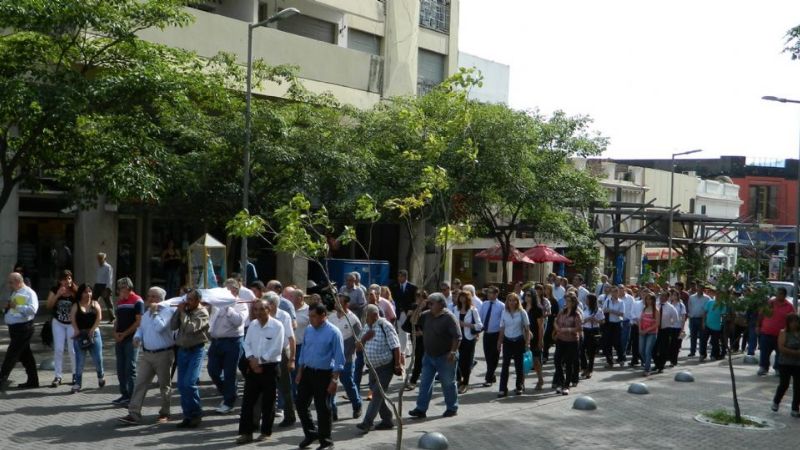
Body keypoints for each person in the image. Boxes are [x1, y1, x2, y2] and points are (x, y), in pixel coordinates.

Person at [118, 287, 174, 424]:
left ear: (161, 299)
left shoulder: (168, 311)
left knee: (164, 385)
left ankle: (165, 413)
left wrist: (155, 314)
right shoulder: (147, 313)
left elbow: (160, 328)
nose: (149, 299)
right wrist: (137, 337)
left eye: (153, 296)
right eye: (148, 296)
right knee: (140, 383)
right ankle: (134, 413)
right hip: (147, 354)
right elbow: (141, 329)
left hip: (163, 354)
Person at [235, 299, 285, 444]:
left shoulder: (277, 326)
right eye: (255, 310)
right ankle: (246, 433)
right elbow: (247, 343)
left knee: (268, 402)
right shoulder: (253, 325)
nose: (258, 313)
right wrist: (251, 359)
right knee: (248, 401)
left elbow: (276, 348)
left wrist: (260, 361)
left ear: (268, 310)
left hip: (270, 367)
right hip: (253, 365)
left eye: (261, 309)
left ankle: (265, 431)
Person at [295, 303, 345, 450]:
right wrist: (300, 372)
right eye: (309, 316)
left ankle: (326, 441)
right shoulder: (309, 330)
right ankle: (311, 433)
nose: (310, 319)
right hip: (308, 372)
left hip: (325, 374)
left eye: (313, 316)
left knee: (322, 408)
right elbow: (304, 351)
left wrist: (334, 380)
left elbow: (339, 358)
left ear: (323, 316)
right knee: (300, 403)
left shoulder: (334, 332)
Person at [408, 293, 462, 419]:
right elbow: (413, 320)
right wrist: (419, 307)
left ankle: (452, 407)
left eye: (432, 303)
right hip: (429, 356)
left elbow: (457, 337)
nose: (429, 305)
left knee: (448, 383)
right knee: (425, 383)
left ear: (441, 304)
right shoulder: (427, 315)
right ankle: (421, 409)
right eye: (429, 303)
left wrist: (453, 352)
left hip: (446, 356)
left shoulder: (449, 317)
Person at [356, 304, 402, 433]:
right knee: (378, 394)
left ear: (375, 315)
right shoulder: (366, 327)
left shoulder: (385, 325)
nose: (365, 319)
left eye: (367, 316)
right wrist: (365, 338)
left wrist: (397, 364)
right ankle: (387, 419)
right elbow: (358, 347)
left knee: (376, 394)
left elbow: (396, 346)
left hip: (385, 366)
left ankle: (367, 422)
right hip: (372, 367)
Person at [207, 279, 249, 414]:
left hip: (232, 341)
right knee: (212, 370)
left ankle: (228, 401)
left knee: (229, 372)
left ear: (235, 291)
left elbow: (238, 322)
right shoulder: (217, 304)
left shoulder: (241, 304)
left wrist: (228, 307)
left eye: (228, 290)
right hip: (216, 341)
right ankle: (228, 392)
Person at [171, 289, 210, 429]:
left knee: (189, 383)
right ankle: (187, 415)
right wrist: (178, 311)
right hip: (182, 350)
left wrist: (182, 313)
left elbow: (190, 328)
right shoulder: (185, 310)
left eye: (191, 300)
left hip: (196, 350)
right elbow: (173, 326)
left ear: (198, 301)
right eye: (187, 299)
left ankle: (196, 413)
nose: (188, 302)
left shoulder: (202, 313)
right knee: (181, 385)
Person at [1, 272, 39, 389]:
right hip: (15, 328)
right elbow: (13, 309)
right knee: (25, 355)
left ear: (18, 281)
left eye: (11, 282)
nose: (9, 285)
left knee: (12, 353)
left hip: (23, 328)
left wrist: (16, 306)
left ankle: (2, 377)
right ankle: (33, 381)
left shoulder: (29, 293)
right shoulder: (16, 292)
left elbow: (32, 310)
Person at [328, 293, 363, 420]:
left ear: (346, 304)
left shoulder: (353, 319)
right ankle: (332, 411)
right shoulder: (331, 317)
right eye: (336, 301)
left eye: (339, 302)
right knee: (331, 383)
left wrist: (354, 348)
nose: (336, 303)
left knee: (348, 383)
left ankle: (357, 404)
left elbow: (359, 338)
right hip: (331, 359)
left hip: (347, 358)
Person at [265, 291, 297, 427]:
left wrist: (292, 359)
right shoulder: (262, 315)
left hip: (281, 353)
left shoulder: (284, 316)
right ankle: (267, 415)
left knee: (285, 387)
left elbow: (291, 338)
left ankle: (290, 416)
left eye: (266, 303)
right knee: (267, 387)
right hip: (266, 353)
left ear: (272, 304)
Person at [111, 277, 143, 406]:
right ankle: (124, 394)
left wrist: (124, 334)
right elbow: (117, 319)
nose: (119, 292)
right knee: (120, 368)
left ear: (128, 288)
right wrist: (115, 332)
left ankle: (132, 396)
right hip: (120, 338)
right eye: (119, 289)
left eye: (121, 289)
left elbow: (139, 321)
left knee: (130, 368)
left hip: (131, 339)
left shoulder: (137, 301)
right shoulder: (120, 302)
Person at [69, 283, 104, 393]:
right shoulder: (76, 305)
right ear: (80, 293)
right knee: (80, 361)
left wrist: (93, 329)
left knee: (97, 359)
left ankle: (100, 376)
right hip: (80, 335)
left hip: (94, 334)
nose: (88, 294)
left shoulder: (95, 303)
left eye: (89, 291)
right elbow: (72, 318)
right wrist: (76, 330)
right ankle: (78, 383)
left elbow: (99, 317)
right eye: (85, 292)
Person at [46, 270, 78, 387]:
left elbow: (83, 304)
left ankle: (75, 375)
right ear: (60, 281)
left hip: (71, 323)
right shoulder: (55, 290)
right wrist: (58, 295)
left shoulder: (76, 291)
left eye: (69, 279)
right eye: (65, 279)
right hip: (58, 322)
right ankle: (58, 376)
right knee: (58, 349)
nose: (67, 281)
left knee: (72, 350)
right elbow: (49, 305)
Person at [497, 293, 531, 397]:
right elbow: (502, 328)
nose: (512, 302)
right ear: (507, 302)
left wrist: (527, 343)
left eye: (514, 300)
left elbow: (527, 329)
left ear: (517, 301)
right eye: (510, 300)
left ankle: (519, 386)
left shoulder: (522, 312)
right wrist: (499, 342)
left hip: (519, 341)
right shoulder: (504, 312)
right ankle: (503, 389)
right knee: (505, 365)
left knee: (518, 365)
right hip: (507, 341)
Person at [758, 287, 796, 376]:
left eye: (780, 294)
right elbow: (761, 315)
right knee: (764, 351)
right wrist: (758, 326)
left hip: (781, 335)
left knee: (780, 353)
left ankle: (778, 368)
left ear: (784, 295)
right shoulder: (769, 303)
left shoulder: (789, 306)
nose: (778, 296)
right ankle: (763, 367)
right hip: (766, 332)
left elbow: (793, 320)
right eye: (777, 293)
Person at [771, 313, 800, 417]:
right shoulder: (783, 332)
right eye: (792, 322)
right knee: (784, 384)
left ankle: (795, 408)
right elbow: (781, 348)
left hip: (798, 364)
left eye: (796, 321)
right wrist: (795, 353)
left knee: (798, 386)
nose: (794, 324)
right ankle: (776, 401)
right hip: (785, 363)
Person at [553, 294, 582, 395]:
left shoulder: (576, 314)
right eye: (566, 301)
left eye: (569, 301)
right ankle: (561, 382)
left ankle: (566, 385)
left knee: (569, 363)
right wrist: (557, 328)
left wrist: (567, 329)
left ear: (573, 303)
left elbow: (579, 328)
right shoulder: (562, 311)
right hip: (561, 339)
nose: (567, 303)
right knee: (557, 360)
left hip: (572, 341)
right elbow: (555, 321)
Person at [454, 290, 482, 394]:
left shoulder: (473, 310)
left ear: (468, 299)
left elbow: (479, 325)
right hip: (457, 338)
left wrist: (465, 324)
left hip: (469, 338)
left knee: (467, 361)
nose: (462, 299)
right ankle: (459, 379)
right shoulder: (455, 309)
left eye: (464, 297)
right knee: (456, 359)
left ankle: (465, 383)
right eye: (460, 297)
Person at [480, 286, 505, 387]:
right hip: (486, 333)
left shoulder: (501, 306)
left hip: (496, 334)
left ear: (496, 294)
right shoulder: (484, 304)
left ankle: (488, 378)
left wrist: (501, 338)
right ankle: (492, 374)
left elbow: (502, 322)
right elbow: (481, 317)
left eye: (491, 293)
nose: (489, 295)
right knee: (487, 356)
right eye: (488, 293)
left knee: (494, 357)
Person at [405, 290, 430, 390]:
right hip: (416, 337)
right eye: (417, 297)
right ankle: (414, 380)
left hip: (427, 337)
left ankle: (414, 380)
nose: (418, 299)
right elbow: (412, 321)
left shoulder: (430, 308)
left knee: (422, 359)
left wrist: (423, 333)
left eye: (421, 297)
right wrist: (418, 308)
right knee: (419, 358)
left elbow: (432, 325)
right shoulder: (415, 307)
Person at [390, 270, 417, 357]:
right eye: (398, 276)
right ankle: (405, 350)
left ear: (405, 277)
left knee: (405, 331)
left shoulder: (412, 287)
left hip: (407, 312)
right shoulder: (394, 286)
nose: (399, 278)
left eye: (401, 276)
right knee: (401, 331)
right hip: (398, 312)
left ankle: (404, 351)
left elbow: (415, 301)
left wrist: (411, 310)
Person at [525, 287, 545, 390]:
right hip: (524, 337)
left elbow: (540, 327)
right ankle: (521, 383)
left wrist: (540, 340)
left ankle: (540, 379)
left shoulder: (538, 309)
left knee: (536, 360)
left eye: (529, 295)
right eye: (526, 295)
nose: (526, 297)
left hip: (535, 337)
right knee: (523, 360)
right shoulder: (522, 306)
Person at [653, 292, 679, 373]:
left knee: (663, 349)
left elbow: (675, 319)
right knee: (653, 348)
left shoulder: (671, 307)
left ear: (668, 298)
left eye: (664, 296)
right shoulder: (656, 305)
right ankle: (656, 363)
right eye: (661, 296)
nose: (662, 298)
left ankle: (661, 366)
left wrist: (668, 323)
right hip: (654, 329)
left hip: (665, 330)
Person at [580, 294, 604, 379]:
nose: (586, 301)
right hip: (585, 330)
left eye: (587, 299)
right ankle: (584, 367)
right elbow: (581, 321)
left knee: (591, 352)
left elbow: (602, 321)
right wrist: (587, 320)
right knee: (581, 349)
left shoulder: (598, 310)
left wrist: (596, 320)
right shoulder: (584, 309)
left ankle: (589, 370)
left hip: (594, 331)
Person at [602, 286, 626, 368]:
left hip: (617, 324)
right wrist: (607, 310)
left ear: (618, 292)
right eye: (612, 292)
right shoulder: (607, 301)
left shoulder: (621, 302)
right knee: (607, 343)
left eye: (615, 291)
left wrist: (611, 311)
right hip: (608, 324)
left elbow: (622, 314)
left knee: (617, 342)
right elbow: (603, 310)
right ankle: (610, 361)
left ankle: (621, 359)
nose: (614, 293)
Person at [638, 293, 660, 376]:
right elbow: (640, 320)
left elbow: (657, 323)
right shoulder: (644, 309)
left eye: (650, 299)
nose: (648, 300)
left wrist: (647, 330)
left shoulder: (656, 310)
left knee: (648, 351)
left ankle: (647, 369)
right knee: (641, 350)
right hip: (642, 332)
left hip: (651, 333)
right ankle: (648, 362)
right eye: (647, 299)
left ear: (653, 300)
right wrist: (640, 329)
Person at [701, 292, 726, 362]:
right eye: (717, 294)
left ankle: (713, 355)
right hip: (707, 325)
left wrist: (722, 325)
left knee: (715, 342)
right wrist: (703, 322)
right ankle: (702, 354)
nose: (718, 296)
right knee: (703, 340)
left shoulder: (723, 304)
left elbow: (723, 315)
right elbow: (705, 312)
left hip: (717, 326)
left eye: (720, 294)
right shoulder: (710, 302)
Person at [687, 284, 710, 357]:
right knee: (693, 336)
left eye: (701, 288)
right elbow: (689, 306)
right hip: (693, 319)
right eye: (698, 288)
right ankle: (692, 351)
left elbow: (708, 310)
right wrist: (690, 315)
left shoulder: (707, 298)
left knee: (702, 337)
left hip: (702, 320)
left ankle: (702, 352)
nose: (699, 290)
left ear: (703, 289)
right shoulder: (692, 297)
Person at [93, 252, 115, 323]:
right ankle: (93, 317)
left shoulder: (108, 267)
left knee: (108, 303)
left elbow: (109, 279)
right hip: (97, 285)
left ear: (104, 259)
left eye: (100, 259)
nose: (99, 260)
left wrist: (107, 289)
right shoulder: (98, 267)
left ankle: (112, 318)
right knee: (93, 301)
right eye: (98, 259)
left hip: (105, 286)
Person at [669, 289, 687, 366]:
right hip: (669, 327)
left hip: (677, 327)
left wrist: (682, 329)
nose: (673, 296)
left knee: (676, 345)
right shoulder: (669, 304)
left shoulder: (681, 305)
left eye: (675, 295)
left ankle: (674, 361)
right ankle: (670, 359)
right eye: (672, 295)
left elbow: (683, 318)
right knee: (670, 344)